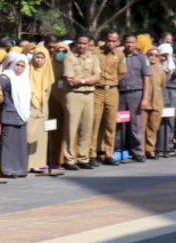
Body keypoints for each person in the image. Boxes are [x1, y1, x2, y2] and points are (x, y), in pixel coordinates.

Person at [62, 35, 100, 170]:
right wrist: (88, 80)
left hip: (89, 94)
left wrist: (82, 80)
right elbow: (70, 80)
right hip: (73, 95)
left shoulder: (94, 58)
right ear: (75, 43)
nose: (82, 46)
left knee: (87, 127)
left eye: (85, 43)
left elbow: (97, 78)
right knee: (71, 127)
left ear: (89, 44)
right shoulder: (69, 58)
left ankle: (83, 157)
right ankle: (69, 159)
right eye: (79, 43)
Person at [91, 31, 127, 166]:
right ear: (105, 40)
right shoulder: (96, 52)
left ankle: (108, 154)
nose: (111, 43)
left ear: (118, 42)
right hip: (97, 90)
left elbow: (122, 72)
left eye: (114, 41)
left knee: (111, 124)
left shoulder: (120, 54)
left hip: (112, 90)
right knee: (95, 123)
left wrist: (113, 81)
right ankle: (92, 154)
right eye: (109, 40)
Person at [117, 34, 152, 162]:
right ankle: (119, 150)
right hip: (120, 93)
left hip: (136, 94)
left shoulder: (142, 58)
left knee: (135, 125)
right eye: (127, 42)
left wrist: (145, 98)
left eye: (132, 42)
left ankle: (137, 151)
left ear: (136, 44)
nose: (129, 45)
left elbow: (146, 79)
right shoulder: (119, 56)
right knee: (119, 124)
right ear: (123, 43)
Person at [0, 52, 32, 177]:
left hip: (21, 116)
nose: (19, 68)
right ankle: (8, 170)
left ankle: (20, 170)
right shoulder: (6, 77)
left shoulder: (24, 79)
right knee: (9, 145)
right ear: (13, 64)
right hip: (9, 116)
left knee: (20, 145)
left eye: (22, 66)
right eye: (18, 65)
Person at [27, 46, 55, 171]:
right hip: (30, 106)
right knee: (29, 135)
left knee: (41, 136)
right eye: (37, 57)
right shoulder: (28, 70)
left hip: (43, 107)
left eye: (42, 58)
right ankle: (28, 163)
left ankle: (38, 163)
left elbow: (48, 91)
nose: (39, 60)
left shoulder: (48, 71)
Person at [143, 47, 166, 159]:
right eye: (150, 54)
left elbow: (163, 85)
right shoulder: (143, 67)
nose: (153, 57)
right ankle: (140, 151)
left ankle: (150, 150)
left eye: (156, 55)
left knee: (153, 127)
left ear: (159, 57)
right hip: (144, 102)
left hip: (157, 102)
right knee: (141, 128)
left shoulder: (161, 70)